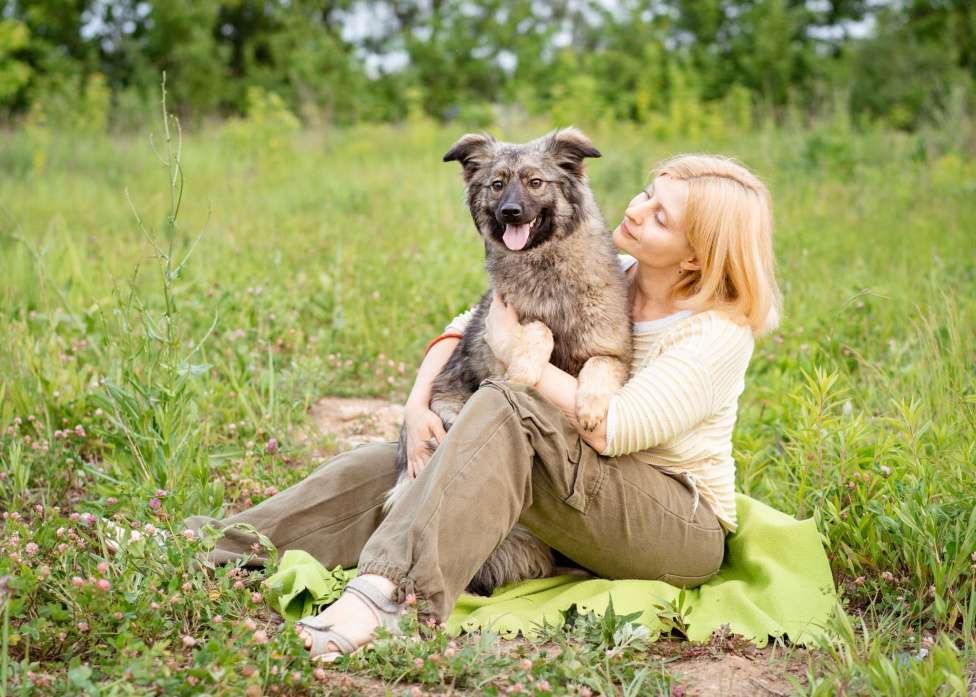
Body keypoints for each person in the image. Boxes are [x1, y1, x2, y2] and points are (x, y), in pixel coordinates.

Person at [183, 153, 783, 663]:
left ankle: (390, 598)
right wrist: (418, 409)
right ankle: (210, 545)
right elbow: (465, 322)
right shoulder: (610, 272)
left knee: (506, 406)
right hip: (577, 496)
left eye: (660, 216)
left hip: (671, 523)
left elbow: (618, 427)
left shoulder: (716, 333)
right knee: (403, 457)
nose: (635, 208)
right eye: (647, 193)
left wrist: (517, 356)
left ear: (696, 258)